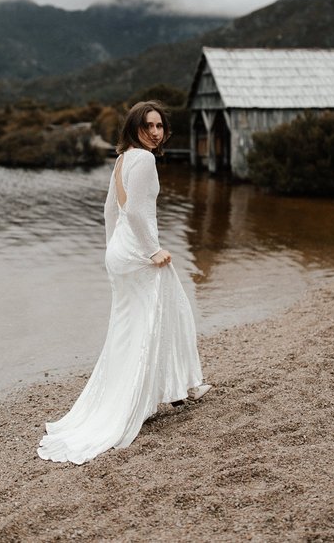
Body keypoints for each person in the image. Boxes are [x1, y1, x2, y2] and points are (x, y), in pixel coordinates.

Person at [38, 100, 211, 464]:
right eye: (148, 125)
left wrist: (111, 251)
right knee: (169, 313)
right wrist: (151, 251)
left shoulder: (122, 159)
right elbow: (132, 210)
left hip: (120, 251)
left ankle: (175, 388)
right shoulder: (144, 160)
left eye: (160, 126)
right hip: (137, 252)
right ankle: (174, 388)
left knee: (133, 326)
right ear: (134, 127)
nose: (155, 132)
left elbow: (109, 211)